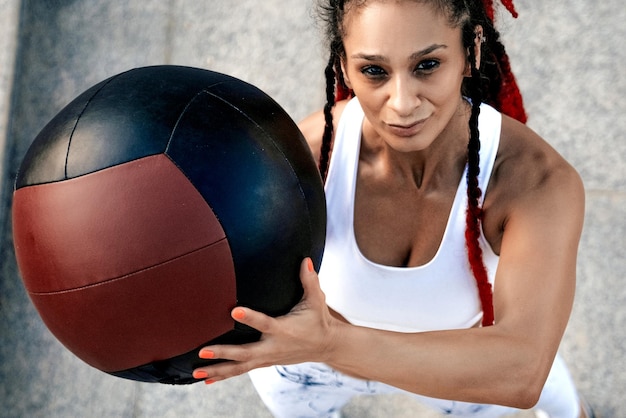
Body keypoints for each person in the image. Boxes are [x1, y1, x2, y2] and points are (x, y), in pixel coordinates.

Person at [192, 0, 591, 417]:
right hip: (311, 360)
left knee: (554, 392)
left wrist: (332, 341)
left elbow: (521, 371)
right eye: (375, 71)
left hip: (456, 366)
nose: (402, 103)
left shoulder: (534, 182)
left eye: (427, 65)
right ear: (344, 66)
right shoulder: (307, 158)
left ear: (471, 51)